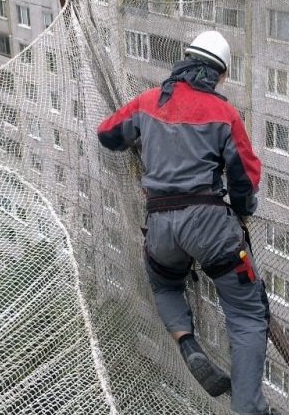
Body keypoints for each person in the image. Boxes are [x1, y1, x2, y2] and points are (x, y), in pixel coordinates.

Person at [97, 30, 270, 415]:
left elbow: (107, 135)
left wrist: (141, 137)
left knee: (163, 284)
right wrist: (244, 208)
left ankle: (187, 342)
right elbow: (244, 180)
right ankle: (248, 410)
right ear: (219, 75)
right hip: (210, 227)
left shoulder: (147, 102)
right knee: (246, 315)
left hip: (160, 225)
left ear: (183, 63)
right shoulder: (224, 114)